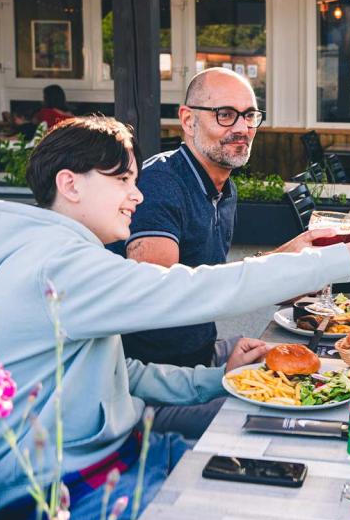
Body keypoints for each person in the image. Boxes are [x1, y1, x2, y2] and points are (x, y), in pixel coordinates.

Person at [0, 116, 350, 520]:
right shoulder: (55, 266)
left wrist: (222, 379)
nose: (137, 195)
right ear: (70, 184)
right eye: (122, 180)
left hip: (116, 457)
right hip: (51, 496)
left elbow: (121, 373)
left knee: (288, 478)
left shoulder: (62, 255)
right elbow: (195, 290)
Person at [109, 68, 327, 438]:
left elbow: (209, 276)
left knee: (316, 380)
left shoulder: (224, 189)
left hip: (202, 353)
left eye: (249, 115)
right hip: (153, 384)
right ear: (188, 120)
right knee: (281, 420)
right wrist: (273, 266)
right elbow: (165, 293)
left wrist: (289, 277)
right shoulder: (160, 183)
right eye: (225, 114)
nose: (241, 128)